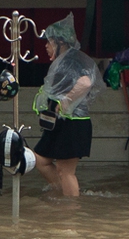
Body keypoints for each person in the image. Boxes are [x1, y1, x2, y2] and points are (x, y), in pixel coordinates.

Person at [32, 15, 98, 198]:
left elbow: (85, 82)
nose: (46, 46)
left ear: (60, 43)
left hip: (73, 123)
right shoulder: (63, 61)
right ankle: (63, 194)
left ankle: (71, 208)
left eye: (49, 42)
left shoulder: (71, 61)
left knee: (65, 170)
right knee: (40, 160)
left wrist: (66, 102)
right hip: (61, 123)